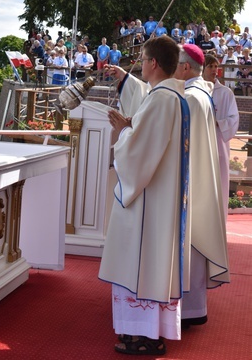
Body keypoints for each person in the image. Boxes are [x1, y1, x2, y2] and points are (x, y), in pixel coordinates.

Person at [99, 37, 190, 355]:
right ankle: (149, 331)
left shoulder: (161, 99)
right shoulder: (172, 97)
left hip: (148, 202)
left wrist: (124, 131)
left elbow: (140, 152)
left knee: (139, 262)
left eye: (143, 60)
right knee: (152, 264)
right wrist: (130, 128)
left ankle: (142, 335)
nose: (140, 64)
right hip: (160, 197)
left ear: (153, 63)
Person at [174, 45, 229, 329]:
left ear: (185, 67)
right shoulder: (199, 93)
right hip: (195, 178)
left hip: (188, 182)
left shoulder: (192, 98)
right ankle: (191, 308)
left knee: (189, 246)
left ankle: (188, 310)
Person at [203, 55, 240, 219]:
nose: (214, 70)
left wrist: (219, 123)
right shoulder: (196, 91)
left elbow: (234, 119)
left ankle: (219, 225)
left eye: (215, 66)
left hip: (219, 147)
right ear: (202, 69)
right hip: (200, 147)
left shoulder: (226, 93)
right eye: (210, 66)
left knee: (219, 187)